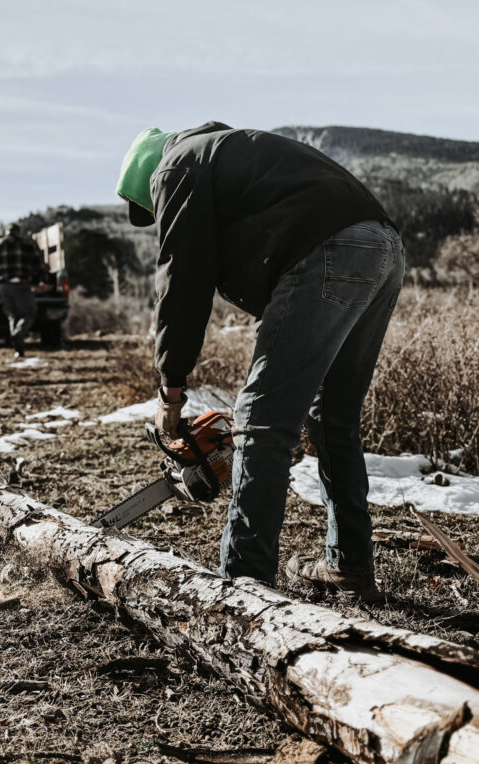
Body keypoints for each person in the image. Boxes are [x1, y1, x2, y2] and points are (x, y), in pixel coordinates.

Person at [116, 122, 404, 601]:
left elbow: (182, 282)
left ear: (145, 176)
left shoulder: (176, 166)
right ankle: (350, 565)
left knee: (262, 422)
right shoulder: (231, 157)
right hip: (382, 247)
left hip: (330, 249)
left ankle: (244, 585)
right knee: (333, 418)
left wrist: (170, 388)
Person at [0, 223, 46, 356]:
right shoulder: (27, 245)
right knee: (29, 313)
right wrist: (36, 282)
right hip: (22, 284)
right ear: (18, 232)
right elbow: (38, 265)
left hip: (4, 286)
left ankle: (18, 349)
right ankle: (18, 334)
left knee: (13, 315)